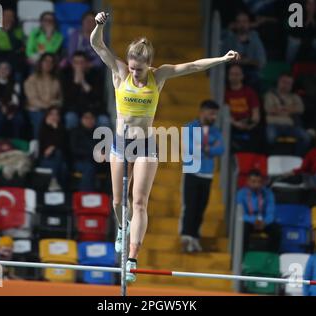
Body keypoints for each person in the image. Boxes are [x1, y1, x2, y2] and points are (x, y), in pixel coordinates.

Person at [91, 12, 240, 282]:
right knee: (117, 201)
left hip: (146, 145)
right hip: (121, 144)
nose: (135, 73)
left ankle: (133, 257)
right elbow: (98, 45)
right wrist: (99, 25)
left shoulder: (158, 76)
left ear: (149, 65)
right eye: (133, 68)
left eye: (140, 69)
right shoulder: (120, 72)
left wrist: (221, 59)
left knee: (139, 202)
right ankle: (121, 229)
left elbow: (193, 66)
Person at [180, 100, 225, 253]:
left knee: (201, 208)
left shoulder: (216, 132)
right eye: (211, 113)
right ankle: (186, 236)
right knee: (190, 206)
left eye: (215, 114)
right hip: (192, 171)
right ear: (203, 111)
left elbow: (221, 149)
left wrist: (206, 149)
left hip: (207, 174)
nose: (214, 117)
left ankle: (195, 236)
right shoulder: (190, 127)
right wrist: (208, 148)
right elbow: (190, 148)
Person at [264, 72, 311, 156]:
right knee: (270, 137)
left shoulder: (295, 97)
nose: (286, 85)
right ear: (278, 82)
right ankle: (271, 159)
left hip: (291, 126)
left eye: (289, 83)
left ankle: (296, 159)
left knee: (306, 137)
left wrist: (279, 109)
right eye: (284, 82)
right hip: (273, 125)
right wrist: (290, 109)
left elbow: (300, 109)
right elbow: (269, 109)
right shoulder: (269, 95)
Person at [61, 51, 108, 130]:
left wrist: (83, 83)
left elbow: (97, 97)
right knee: (70, 118)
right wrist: (76, 84)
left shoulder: (95, 75)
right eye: (76, 62)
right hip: (75, 110)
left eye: (81, 62)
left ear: (87, 63)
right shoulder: (67, 76)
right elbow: (68, 99)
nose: (79, 65)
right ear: (72, 64)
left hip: (94, 110)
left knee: (104, 121)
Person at [236, 169, 280, 253]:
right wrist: (254, 220)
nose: (256, 184)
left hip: (264, 222)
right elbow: (240, 214)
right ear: (248, 181)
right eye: (253, 181)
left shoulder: (268, 193)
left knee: (276, 230)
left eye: (259, 182)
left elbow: (271, 212)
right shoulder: (241, 194)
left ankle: (271, 256)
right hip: (249, 222)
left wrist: (265, 222)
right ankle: (242, 256)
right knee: (243, 229)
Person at [222, 11, 266, 91]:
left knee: (256, 79)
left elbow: (261, 61)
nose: (242, 25)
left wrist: (246, 61)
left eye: (244, 21)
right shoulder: (229, 39)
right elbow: (223, 60)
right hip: (232, 71)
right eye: (239, 22)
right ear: (235, 24)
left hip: (250, 72)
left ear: (249, 24)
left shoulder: (255, 39)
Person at [225, 64, 262, 153]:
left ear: (242, 76)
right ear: (228, 76)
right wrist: (235, 123)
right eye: (232, 74)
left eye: (237, 74)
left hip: (248, 124)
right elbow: (224, 114)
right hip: (231, 125)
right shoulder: (225, 93)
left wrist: (250, 124)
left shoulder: (249, 92)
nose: (234, 77)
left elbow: (256, 115)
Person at [24, 53, 62, 138]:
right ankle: (37, 145)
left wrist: (53, 108)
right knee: (41, 118)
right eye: (46, 61)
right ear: (40, 63)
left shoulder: (56, 80)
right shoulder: (32, 79)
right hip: (35, 109)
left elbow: (60, 99)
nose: (48, 64)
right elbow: (32, 100)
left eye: (51, 62)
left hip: (52, 110)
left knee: (57, 119)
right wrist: (48, 106)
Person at [69, 111, 105, 191]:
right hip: (79, 161)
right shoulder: (75, 132)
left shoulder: (100, 133)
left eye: (91, 118)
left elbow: (104, 150)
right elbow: (74, 150)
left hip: (97, 161)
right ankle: (85, 195)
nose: (89, 120)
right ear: (81, 119)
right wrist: (93, 152)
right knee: (89, 167)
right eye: (86, 118)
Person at [0, 61, 25, 139]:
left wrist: (10, 110)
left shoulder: (15, 83)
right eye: (0, 68)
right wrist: (2, 108)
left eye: (6, 69)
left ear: (10, 71)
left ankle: (15, 142)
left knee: (18, 119)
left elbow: (16, 99)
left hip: (12, 108)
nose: (3, 70)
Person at [38, 106, 68, 191]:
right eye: (51, 114)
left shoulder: (62, 129)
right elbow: (42, 148)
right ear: (47, 116)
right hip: (46, 158)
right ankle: (54, 181)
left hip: (60, 158)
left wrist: (56, 129)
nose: (54, 117)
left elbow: (63, 145)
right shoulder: (42, 129)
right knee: (60, 165)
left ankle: (54, 181)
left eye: (56, 114)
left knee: (60, 157)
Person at [0, 7, 25, 79]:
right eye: (6, 16)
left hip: (14, 61)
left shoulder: (18, 31)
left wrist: (9, 32)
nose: (8, 18)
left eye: (11, 16)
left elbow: (17, 47)